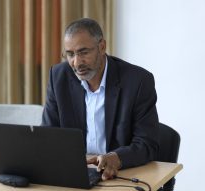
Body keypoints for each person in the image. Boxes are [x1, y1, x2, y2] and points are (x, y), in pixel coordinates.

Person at [41, 18, 159, 180]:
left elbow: (147, 143)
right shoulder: (58, 77)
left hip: (120, 174)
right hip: (75, 173)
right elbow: (48, 135)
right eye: (70, 54)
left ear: (102, 47)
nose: (76, 62)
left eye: (83, 52)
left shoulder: (137, 81)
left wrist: (117, 157)